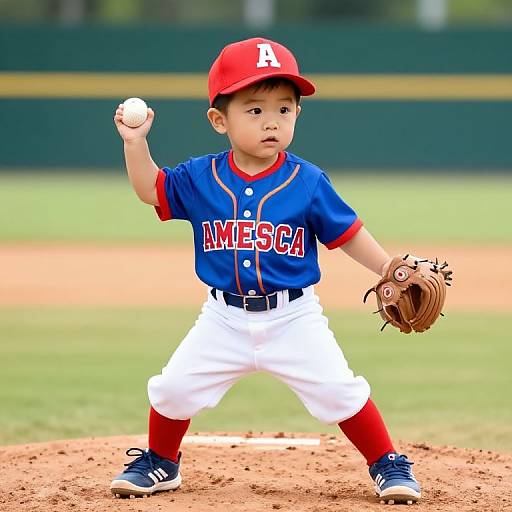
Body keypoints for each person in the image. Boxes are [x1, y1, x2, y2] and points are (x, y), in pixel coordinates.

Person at [111, 37, 421, 505]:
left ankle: (388, 463)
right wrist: (136, 144)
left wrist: (387, 269)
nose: (272, 120)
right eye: (254, 110)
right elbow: (150, 190)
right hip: (222, 319)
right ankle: (160, 460)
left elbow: (347, 232)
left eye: (284, 108)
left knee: (341, 391)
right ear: (220, 120)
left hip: (293, 318)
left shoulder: (308, 181)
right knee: (173, 388)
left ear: (298, 114)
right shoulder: (200, 178)